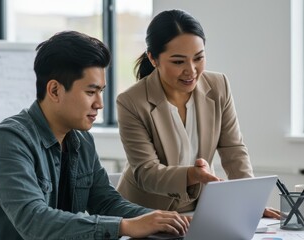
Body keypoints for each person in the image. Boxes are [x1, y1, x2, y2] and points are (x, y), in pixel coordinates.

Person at [0, 31, 190, 240]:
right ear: (54, 91)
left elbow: (106, 201)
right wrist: (125, 226)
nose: (99, 104)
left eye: (100, 91)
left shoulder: (81, 140)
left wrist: (165, 219)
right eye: (91, 92)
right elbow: (34, 222)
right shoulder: (8, 141)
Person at [116, 9, 280, 218]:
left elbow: (233, 149)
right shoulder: (131, 101)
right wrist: (191, 175)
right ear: (153, 58)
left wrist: (249, 201)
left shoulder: (218, 85)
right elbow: (146, 172)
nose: (191, 70)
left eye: (198, 58)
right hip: (144, 213)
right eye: (178, 61)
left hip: (197, 211)